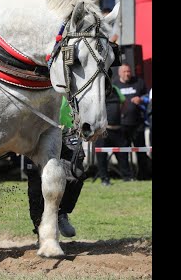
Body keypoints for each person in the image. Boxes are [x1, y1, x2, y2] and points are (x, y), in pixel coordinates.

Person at [24, 96, 85, 238]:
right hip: (38, 135)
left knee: (75, 174)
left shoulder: (68, 79)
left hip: (67, 132)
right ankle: (41, 229)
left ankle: (60, 213)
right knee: (37, 184)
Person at [113, 64, 151, 180]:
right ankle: (127, 176)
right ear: (119, 73)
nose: (127, 74)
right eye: (124, 72)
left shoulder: (139, 82)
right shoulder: (115, 85)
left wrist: (141, 99)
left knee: (141, 151)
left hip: (137, 123)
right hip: (122, 124)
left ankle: (143, 175)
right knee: (123, 153)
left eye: (129, 71)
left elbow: (147, 96)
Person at [94, 84, 133, 185]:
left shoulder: (115, 88)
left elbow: (124, 101)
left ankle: (127, 177)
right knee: (101, 156)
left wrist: (122, 114)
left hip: (117, 129)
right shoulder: (96, 89)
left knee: (123, 154)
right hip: (103, 131)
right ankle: (104, 179)